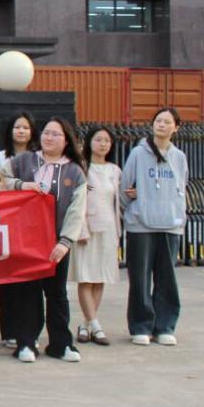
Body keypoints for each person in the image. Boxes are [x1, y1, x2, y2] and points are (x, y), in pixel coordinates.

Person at [1, 117, 87, 364]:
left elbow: (76, 209)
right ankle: (26, 342)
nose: (49, 138)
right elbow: (2, 178)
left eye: (56, 134)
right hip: (27, 240)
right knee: (27, 292)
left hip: (57, 242)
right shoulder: (24, 161)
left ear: (67, 140)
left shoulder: (74, 171)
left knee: (57, 293)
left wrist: (65, 241)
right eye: (46, 133)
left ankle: (61, 344)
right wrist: (21, 184)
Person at [121, 108, 188, 346]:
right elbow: (125, 187)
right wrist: (136, 208)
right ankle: (141, 325)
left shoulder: (179, 157)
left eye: (167, 122)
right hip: (141, 225)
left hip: (170, 225)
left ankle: (165, 326)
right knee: (140, 278)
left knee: (167, 277)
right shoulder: (138, 154)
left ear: (175, 128)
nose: (161, 125)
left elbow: (182, 188)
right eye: (158, 120)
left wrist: (177, 215)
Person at [70, 125, 122, 347]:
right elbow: (76, 201)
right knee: (86, 277)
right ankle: (96, 326)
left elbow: (118, 200)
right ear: (89, 142)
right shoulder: (81, 168)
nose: (102, 144)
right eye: (98, 139)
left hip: (108, 228)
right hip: (87, 230)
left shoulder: (114, 170)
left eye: (107, 140)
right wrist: (80, 229)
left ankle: (86, 324)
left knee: (100, 277)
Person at [0, 112, 39, 348]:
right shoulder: (0, 158)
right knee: (7, 278)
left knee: (30, 279)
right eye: (17, 127)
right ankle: (9, 331)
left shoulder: (39, 158)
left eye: (26, 128)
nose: (21, 131)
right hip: (7, 222)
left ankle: (29, 330)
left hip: (32, 224)